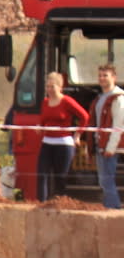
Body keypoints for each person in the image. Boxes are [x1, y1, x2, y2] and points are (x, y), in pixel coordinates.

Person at [35, 70, 88, 205]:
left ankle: (60, 204)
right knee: (42, 174)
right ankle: (41, 204)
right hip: (47, 142)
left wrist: (77, 135)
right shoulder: (45, 102)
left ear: (60, 87)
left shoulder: (67, 101)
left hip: (63, 143)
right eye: (47, 86)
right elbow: (43, 120)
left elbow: (84, 117)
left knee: (60, 177)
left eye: (52, 86)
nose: (49, 90)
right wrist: (39, 127)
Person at [95, 62, 124, 209]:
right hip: (101, 143)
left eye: (105, 75)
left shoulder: (118, 98)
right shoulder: (102, 97)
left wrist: (111, 147)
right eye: (100, 76)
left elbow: (119, 124)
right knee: (103, 180)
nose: (102, 78)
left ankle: (114, 209)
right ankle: (108, 207)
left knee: (107, 179)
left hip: (111, 145)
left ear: (114, 77)